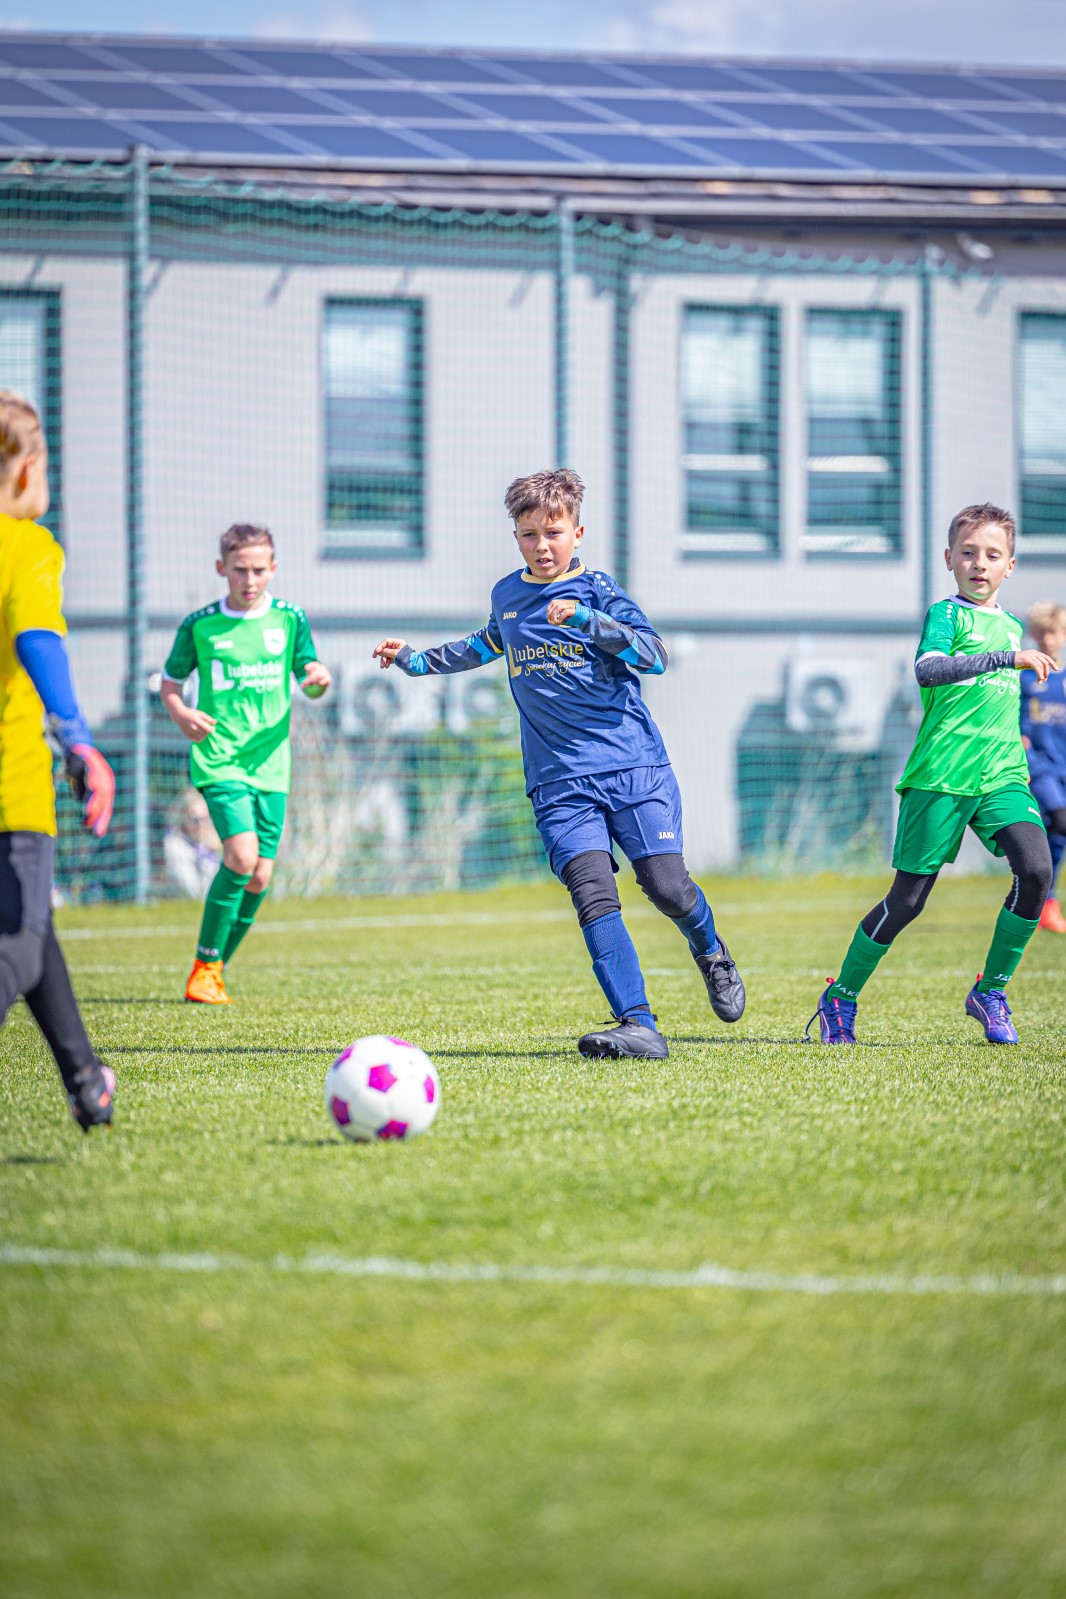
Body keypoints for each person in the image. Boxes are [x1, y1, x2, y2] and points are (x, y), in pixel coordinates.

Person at [373, 467, 745, 1061]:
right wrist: (418, 662)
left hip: (632, 768)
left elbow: (654, 657)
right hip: (558, 782)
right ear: (516, 537)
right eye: (529, 535)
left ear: (577, 533)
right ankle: (638, 1025)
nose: (541, 546)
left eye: (553, 533)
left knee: (667, 888)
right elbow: (485, 643)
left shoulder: (599, 591)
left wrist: (587, 622)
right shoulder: (507, 596)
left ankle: (711, 952)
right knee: (592, 894)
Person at [810, 503, 1054, 1047]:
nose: (979, 563)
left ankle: (990, 992)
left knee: (1036, 870)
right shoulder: (947, 615)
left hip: (1001, 776)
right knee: (908, 901)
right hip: (940, 776)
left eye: (992, 555)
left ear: (1010, 565)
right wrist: (1005, 659)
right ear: (949, 559)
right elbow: (929, 669)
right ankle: (840, 997)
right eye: (968, 552)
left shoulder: (1013, 627)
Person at [0, 389, 116, 1129]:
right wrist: (78, 738)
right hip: (10, 789)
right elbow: (37, 639)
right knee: (16, 941)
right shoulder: (26, 546)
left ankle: (86, 1080)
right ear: (26, 471)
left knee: (33, 921)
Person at [160, 524, 331, 1003]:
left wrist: (318, 681)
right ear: (222, 569)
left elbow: (309, 676)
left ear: (273, 569)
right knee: (239, 856)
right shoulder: (200, 625)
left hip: (272, 765)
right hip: (219, 759)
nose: (249, 579)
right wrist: (181, 713)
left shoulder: (290, 619)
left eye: (258, 570)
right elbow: (170, 683)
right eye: (240, 570)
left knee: (259, 876)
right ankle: (205, 968)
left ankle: (212, 969)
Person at [1020, 601, 1066, 935]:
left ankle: (1042, 904)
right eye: (1042, 632)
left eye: (1055, 632)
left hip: (1064, 766)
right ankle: (1040, 900)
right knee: (1060, 821)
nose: (1048, 639)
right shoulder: (1024, 677)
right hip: (1040, 767)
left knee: (1056, 834)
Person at [164, 787, 222, 899]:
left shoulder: (209, 843)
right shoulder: (175, 845)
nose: (201, 825)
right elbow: (193, 892)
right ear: (184, 818)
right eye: (195, 820)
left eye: (205, 819)